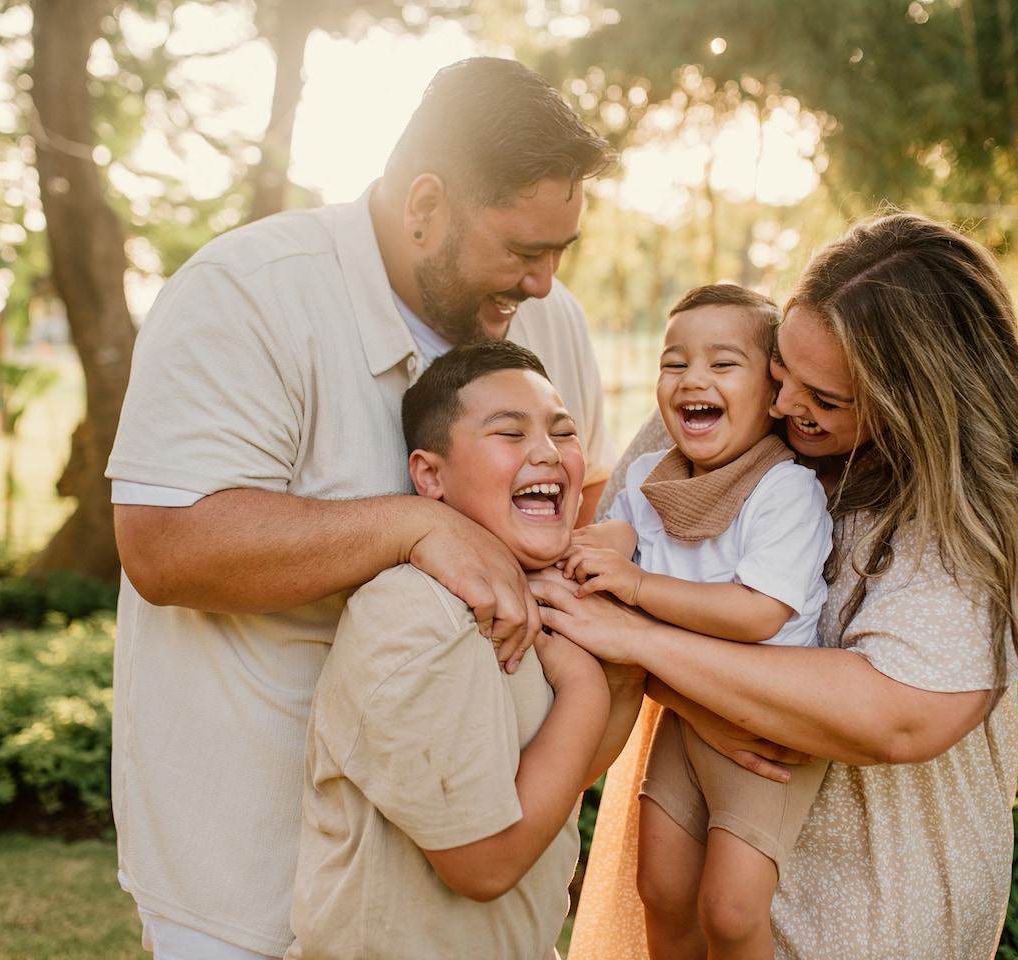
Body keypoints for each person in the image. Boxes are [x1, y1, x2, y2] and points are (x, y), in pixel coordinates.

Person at [106, 57, 616, 959]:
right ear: (425, 206)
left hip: (476, 900)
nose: (543, 282)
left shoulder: (554, 321)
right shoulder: (245, 294)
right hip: (255, 878)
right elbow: (164, 545)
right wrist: (414, 525)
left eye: (560, 251)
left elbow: (580, 510)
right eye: (522, 251)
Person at [533, 213, 1018, 960]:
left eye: (824, 398)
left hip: (870, 900)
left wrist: (653, 647)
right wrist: (694, 694)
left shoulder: (963, 516)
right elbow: (596, 593)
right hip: (691, 848)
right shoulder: (717, 409)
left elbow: (898, 714)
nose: (781, 405)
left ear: (915, 402)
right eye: (780, 371)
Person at [285, 341, 642, 960]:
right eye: (510, 432)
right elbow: (484, 864)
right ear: (430, 476)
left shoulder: (534, 597)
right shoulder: (416, 615)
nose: (547, 452)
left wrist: (621, 666)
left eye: (563, 432)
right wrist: (585, 687)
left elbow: (562, 776)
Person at [559, 284, 831, 960]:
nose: (692, 379)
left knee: (731, 910)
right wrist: (602, 543)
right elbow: (623, 530)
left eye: (722, 363)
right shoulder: (653, 476)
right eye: (674, 363)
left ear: (773, 393)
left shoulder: (784, 489)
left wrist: (637, 584)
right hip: (685, 714)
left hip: (762, 725)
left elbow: (758, 611)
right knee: (660, 888)